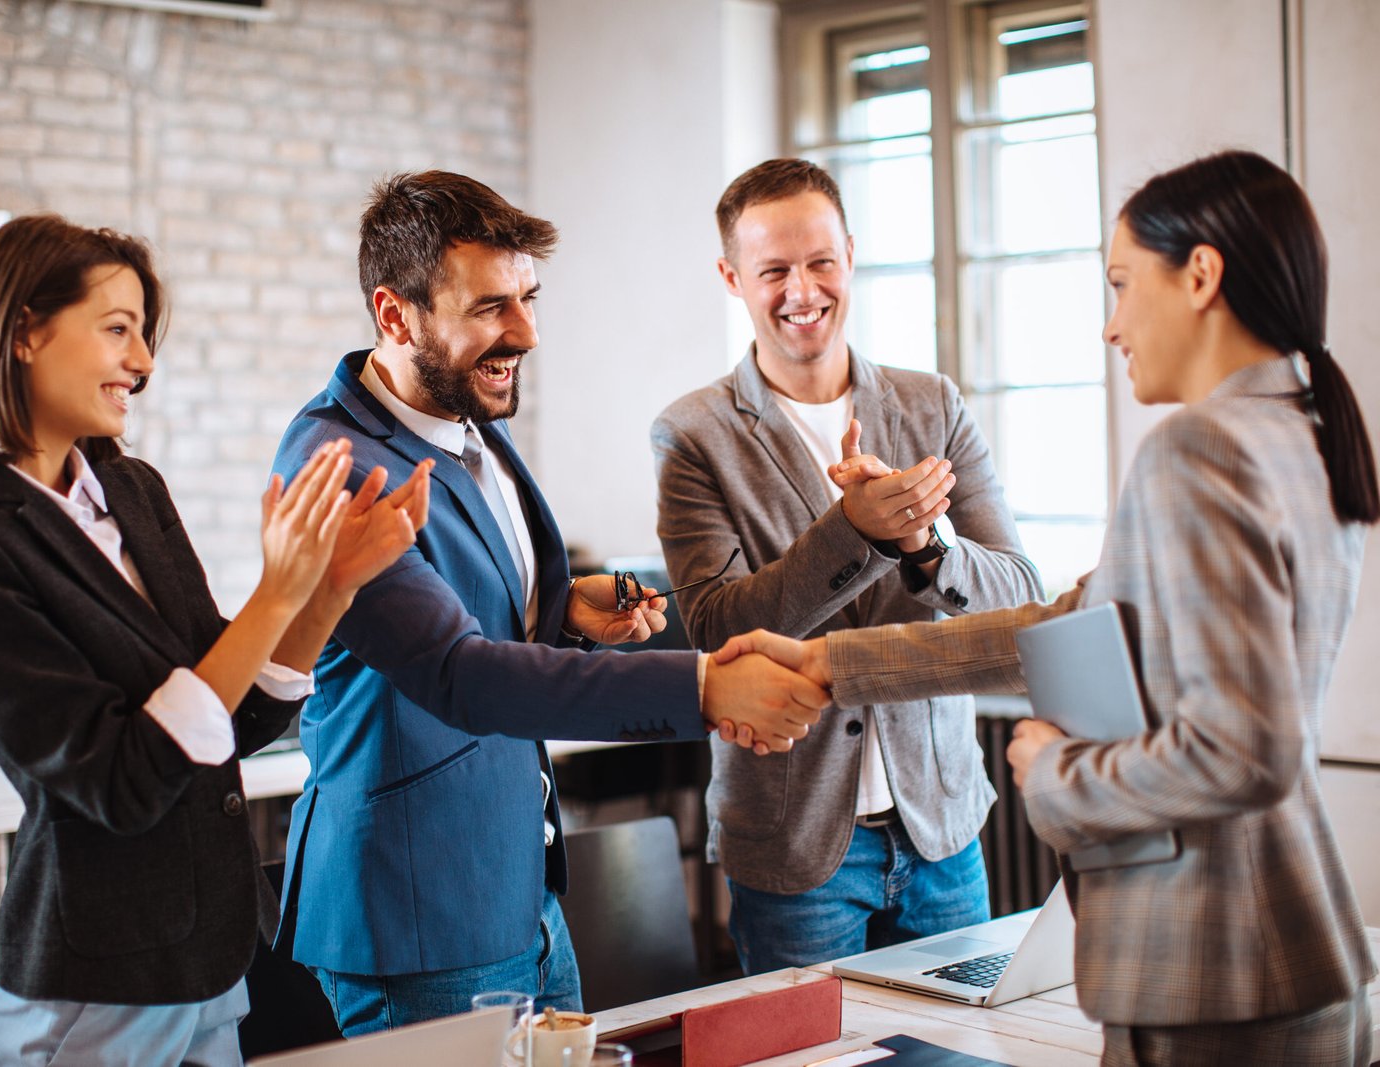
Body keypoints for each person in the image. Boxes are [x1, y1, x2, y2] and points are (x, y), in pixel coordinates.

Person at [715, 150, 1378, 1065]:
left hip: (1212, 961)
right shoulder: (1302, 427)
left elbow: (1245, 751)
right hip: (1296, 949)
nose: (1112, 325)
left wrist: (1056, 770)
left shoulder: (1200, 448)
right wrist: (833, 664)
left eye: (1122, 283)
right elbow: (1067, 625)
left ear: (1200, 276)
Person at [270, 170, 831, 1036]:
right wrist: (703, 686)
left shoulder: (468, 422)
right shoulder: (338, 465)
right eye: (491, 307)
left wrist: (561, 605)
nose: (526, 333)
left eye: (529, 299)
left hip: (519, 891)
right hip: (420, 915)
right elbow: (459, 674)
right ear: (395, 315)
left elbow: (465, 605)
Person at [0, 214, 431, 1067]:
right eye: (118, 329)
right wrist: (277, 591)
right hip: (95, 991)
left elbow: (230, 720)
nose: (143, 362)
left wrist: (330, 588)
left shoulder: (131, 490)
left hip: (211, 966)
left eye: (144, 333)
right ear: (24, 330)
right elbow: (120, 781)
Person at [651, 157, 1044, 973]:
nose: (803, 290)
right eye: (774, 271)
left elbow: (1021, 597)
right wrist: (854, 532)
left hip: (943, 833)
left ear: (852, 256)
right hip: (795, 848)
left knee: (962, 1045)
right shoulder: (692, 435)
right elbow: (718, 627)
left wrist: (926, 546)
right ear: (732, 277)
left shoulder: (933, 403)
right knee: (813, 1045)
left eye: (821, 261)